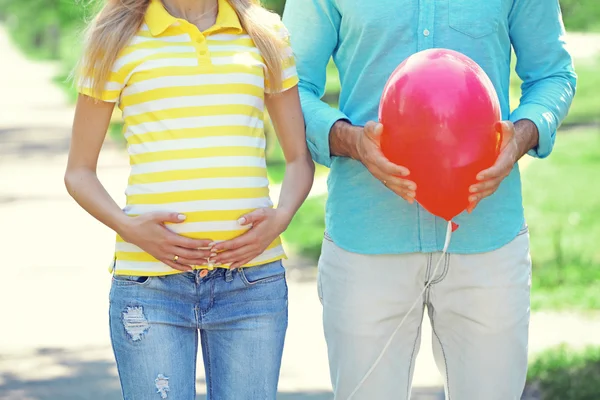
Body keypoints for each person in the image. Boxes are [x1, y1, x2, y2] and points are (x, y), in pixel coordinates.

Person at [283, 0, 576, 399]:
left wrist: (522, 134)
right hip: (367, 236)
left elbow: (553, 74)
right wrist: (349, 139)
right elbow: (289, 84)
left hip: (487, 238)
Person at [64, 0, 313, 398]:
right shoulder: (115, 37)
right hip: (150, 285)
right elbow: (78, 172)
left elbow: (299, 159)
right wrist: (130, 228)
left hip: (252, 283)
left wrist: (281, 217)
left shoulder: (265, 34)